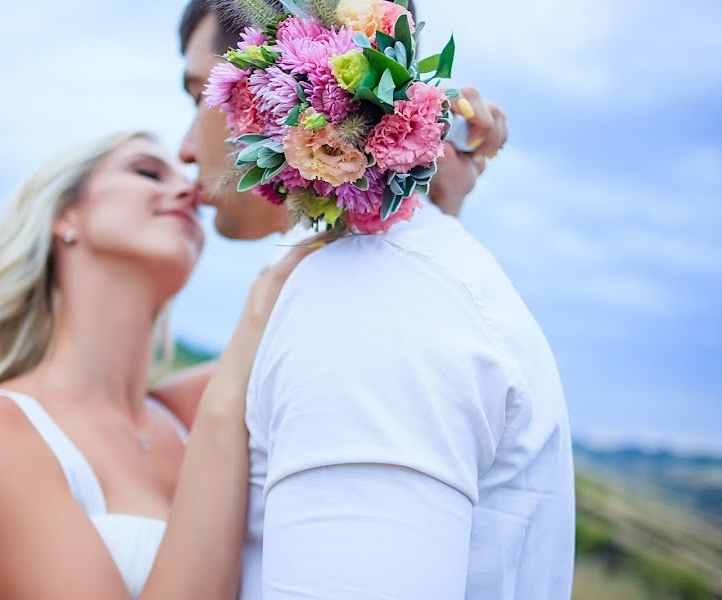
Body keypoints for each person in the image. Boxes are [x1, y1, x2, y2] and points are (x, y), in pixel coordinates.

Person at [176, 1, 576, 598]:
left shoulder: (364, 299)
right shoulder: (365, 283)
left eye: (198, 97)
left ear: (260, 95)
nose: (184, 148)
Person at [0, 132, 318, 599]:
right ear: (64, 216)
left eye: (193, 187)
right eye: (147, 172)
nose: (191, 192)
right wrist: (232, 382)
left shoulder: (190, 409)